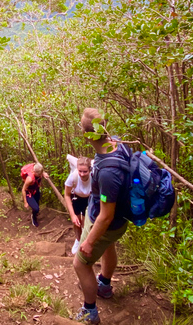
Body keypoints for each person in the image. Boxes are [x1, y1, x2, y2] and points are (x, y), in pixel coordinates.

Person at [73, 108, 130, 325]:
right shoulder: (118, 143)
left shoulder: (108, 171)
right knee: (109, 246)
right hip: (118, 219)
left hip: (107, 221)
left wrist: (88, 241)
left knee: (80, 264)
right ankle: (104, 285)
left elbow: (105, 217)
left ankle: (90, 311)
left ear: (87, 135)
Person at [64, 156, 92, 255]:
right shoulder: (73, 176)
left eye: (85, 172)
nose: (82, 174)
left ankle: (85, 241)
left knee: (85, 222)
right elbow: (67, 195)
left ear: (90, 169)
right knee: (76, 222)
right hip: (76, 197)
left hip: (89, 198)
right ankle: (78, 239)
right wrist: (72, 215)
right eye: (80, 171)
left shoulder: (95, 176)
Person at [22, 162, 44, 227]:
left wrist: (44, 174)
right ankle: (33, 218)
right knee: (36, 208)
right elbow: (23, 190)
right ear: (35, 172)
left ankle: (35, 213)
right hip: (29, 193)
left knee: (37, 202)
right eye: (39, 174)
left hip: (35, 190)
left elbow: (42, 172)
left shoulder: (39, 172)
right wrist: (25, 202)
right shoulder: (30, 179)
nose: (40, 175)